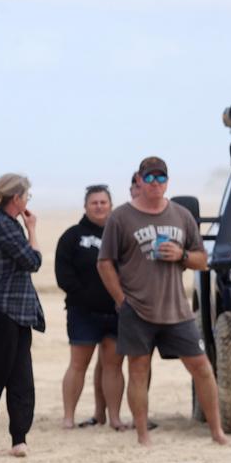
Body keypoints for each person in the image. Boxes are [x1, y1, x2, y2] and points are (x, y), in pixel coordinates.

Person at [97, 157, 228, 446]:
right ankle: (142, 435)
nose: (155, 183)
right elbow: (104, 262)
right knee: (138, 370)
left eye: (161, 178)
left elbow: (203, 261)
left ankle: (217, 432)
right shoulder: (121, 217)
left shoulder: (181, 216)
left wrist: (180, 255)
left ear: (167, 181)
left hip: (176, 310)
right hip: (137, 310)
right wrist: (121, 299)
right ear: (139, 181)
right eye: (150, 178)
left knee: (202, 368)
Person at [56, 185, 129, 431]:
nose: (99, 206)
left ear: (111, 205)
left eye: (103, 202)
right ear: (86, 206)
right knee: (78, 364)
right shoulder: (72, 236)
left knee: (113, 365)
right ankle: (68, 418)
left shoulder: (121, 235)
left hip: (117, 312)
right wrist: (84, 297)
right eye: (94, 202)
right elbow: (63, 275)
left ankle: (115, 418)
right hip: (82, 313)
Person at [0, 173, 44, 457]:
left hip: (18, 311)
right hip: (3, 311)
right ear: (17, 198)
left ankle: (19, 438)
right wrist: (32, 229)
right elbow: (32, 261)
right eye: (26, 196)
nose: (27, 201)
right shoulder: (2, 225)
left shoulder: (6, 223)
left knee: (21, 376)